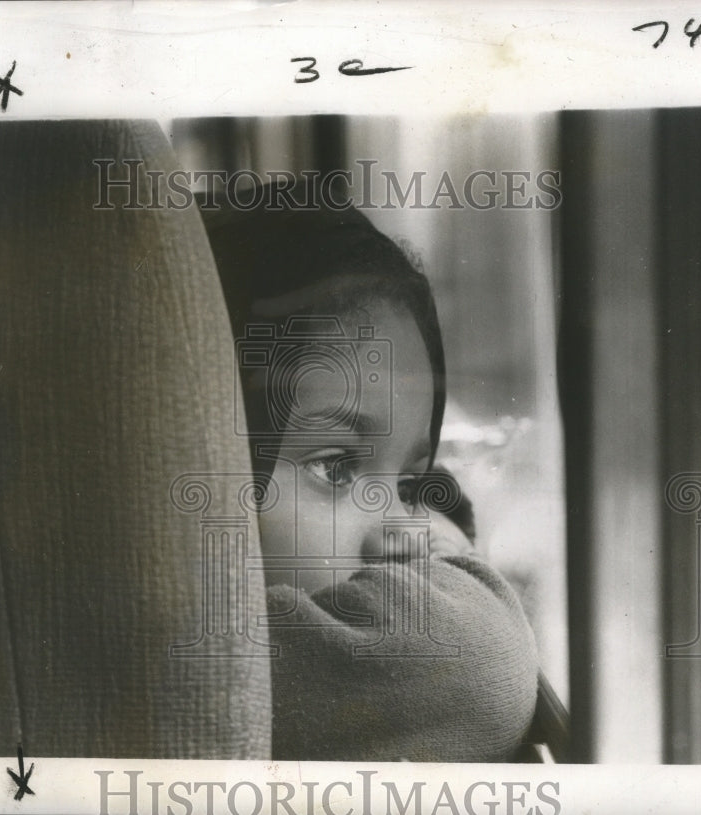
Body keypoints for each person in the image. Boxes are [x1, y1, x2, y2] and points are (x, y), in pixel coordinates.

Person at [198, 185, 540, 762]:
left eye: (409, 487)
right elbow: (481, 662)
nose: (403, 531)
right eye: (335, 468)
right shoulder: (186, 657)